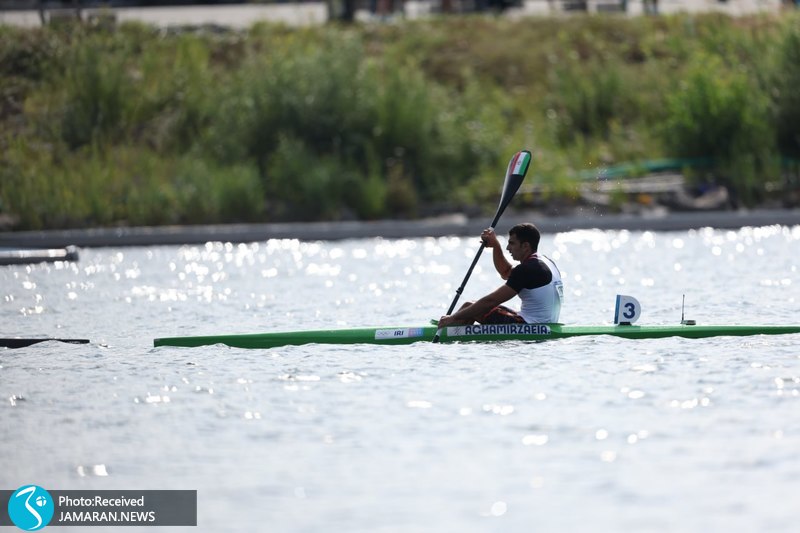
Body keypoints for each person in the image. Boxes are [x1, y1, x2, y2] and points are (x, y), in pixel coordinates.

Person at [438, 223, 563, 327]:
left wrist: (454, 317)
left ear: (525, 246)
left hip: (529, 325)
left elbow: (490, 301)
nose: (508, 248)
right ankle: (452, 325)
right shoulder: (545, 262)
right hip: (546, 323)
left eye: (512, 243)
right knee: (471, 309)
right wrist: (495, 245)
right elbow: (506, 272)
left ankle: (447, 329)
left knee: (470, 307)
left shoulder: (527, 269)